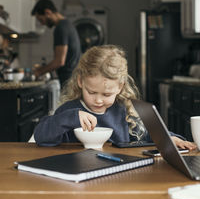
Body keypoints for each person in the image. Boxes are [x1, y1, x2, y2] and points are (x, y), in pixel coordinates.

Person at [34, 45, 196, 150]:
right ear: (80, 82)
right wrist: (69, 118)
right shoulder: (70, 111)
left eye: (106, 94)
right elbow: (41, 137)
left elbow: (149, 135)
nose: (98, 100)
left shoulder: (124, 111)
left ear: (120, 86)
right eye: (91, 92)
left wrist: (170, 138)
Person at [31, 0, 81, 88]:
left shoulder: (60, 28)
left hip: (68, 80)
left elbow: (59, 61)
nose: (42, 24)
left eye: (41, 20)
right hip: (73, 79)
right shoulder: (67, 24)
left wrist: (38, 72)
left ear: (47, 12)